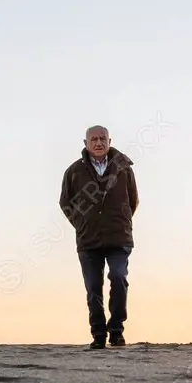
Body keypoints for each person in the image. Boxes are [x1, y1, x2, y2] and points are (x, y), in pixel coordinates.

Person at [59, 125, 139, 350]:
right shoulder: (74, 171)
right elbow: (65, 203)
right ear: (85, 143)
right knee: (93, 288)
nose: (98, 143)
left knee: (118, 277)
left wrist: (122, 221)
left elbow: (133, 200)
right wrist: (81, 223)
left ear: (109, 141)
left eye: (102, 138)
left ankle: (116, 331)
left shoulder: (123, 168)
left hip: (119, 238)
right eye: (93, 139)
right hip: (88, 240)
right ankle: (98, 335)